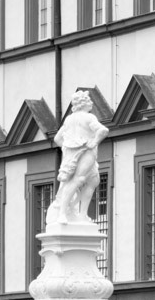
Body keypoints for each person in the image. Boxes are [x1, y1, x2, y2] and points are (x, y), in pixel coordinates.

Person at [46, 91, 109, 228]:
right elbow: (103, 130)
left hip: (72, 153)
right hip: (86, 152)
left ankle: (81, 215)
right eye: (89, 100)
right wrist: (94, 142)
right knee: (79, 180)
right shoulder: (88, 117)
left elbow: (57, 139)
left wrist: (68, 148)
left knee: (93, 180)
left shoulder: (69, 119)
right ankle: (64, 213)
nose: (91, 103)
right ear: (84, 103)